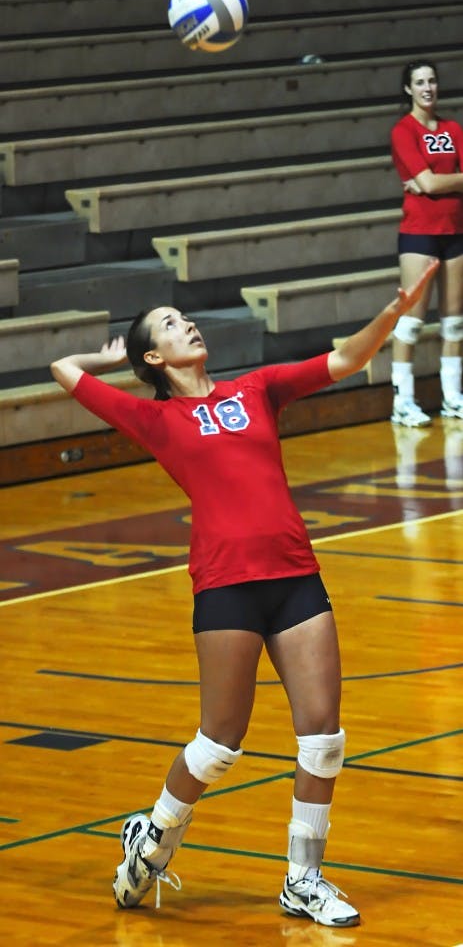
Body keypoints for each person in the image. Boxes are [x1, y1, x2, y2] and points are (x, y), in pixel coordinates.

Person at [50, 258, 437, 929]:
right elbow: (63, 369)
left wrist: (394, 311)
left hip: (294, 576)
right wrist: (106, 355)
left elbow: (344, 358)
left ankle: (302, 879)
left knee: (323, 738)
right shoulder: (154, 420)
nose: (188, 324)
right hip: (225, 584)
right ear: (153, 354)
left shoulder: (254, 389)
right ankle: (155, 831)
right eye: (171, 325)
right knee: (220, 742)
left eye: (185, 318)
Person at [390, 58, 463, 427]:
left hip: (456, 232)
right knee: (412, 322)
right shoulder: (404, 130)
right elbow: (430, 184)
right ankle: (402, 401)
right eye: (419, 82)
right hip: (419, 233)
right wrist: (438, 180)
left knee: (455, 324)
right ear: (409, 89)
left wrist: (431, 180)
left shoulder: (453, 128)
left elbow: (431, 183)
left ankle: (452, 398)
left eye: (432, 80)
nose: (427, 87)